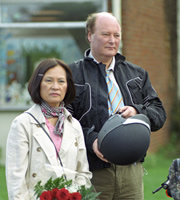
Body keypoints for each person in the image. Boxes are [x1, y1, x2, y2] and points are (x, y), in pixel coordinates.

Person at [67, 12, 167, 200]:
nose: (112, 40)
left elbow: (159, 113)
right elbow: (63, 121)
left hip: (131, 171)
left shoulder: (137, 74)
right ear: (90, 35)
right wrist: (92, 140)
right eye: (106, 34)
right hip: (91, 170)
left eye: (116, 35)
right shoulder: (71, 75)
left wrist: (138, 111)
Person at [6, 58, 92, 200]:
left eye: (61, 81)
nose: (55, 86)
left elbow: (82, 173)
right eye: (48, 80)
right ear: (37, 84)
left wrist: (74, 195)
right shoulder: (22, 123)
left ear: (68, 86)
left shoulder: (74, 125)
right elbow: (16, 180)